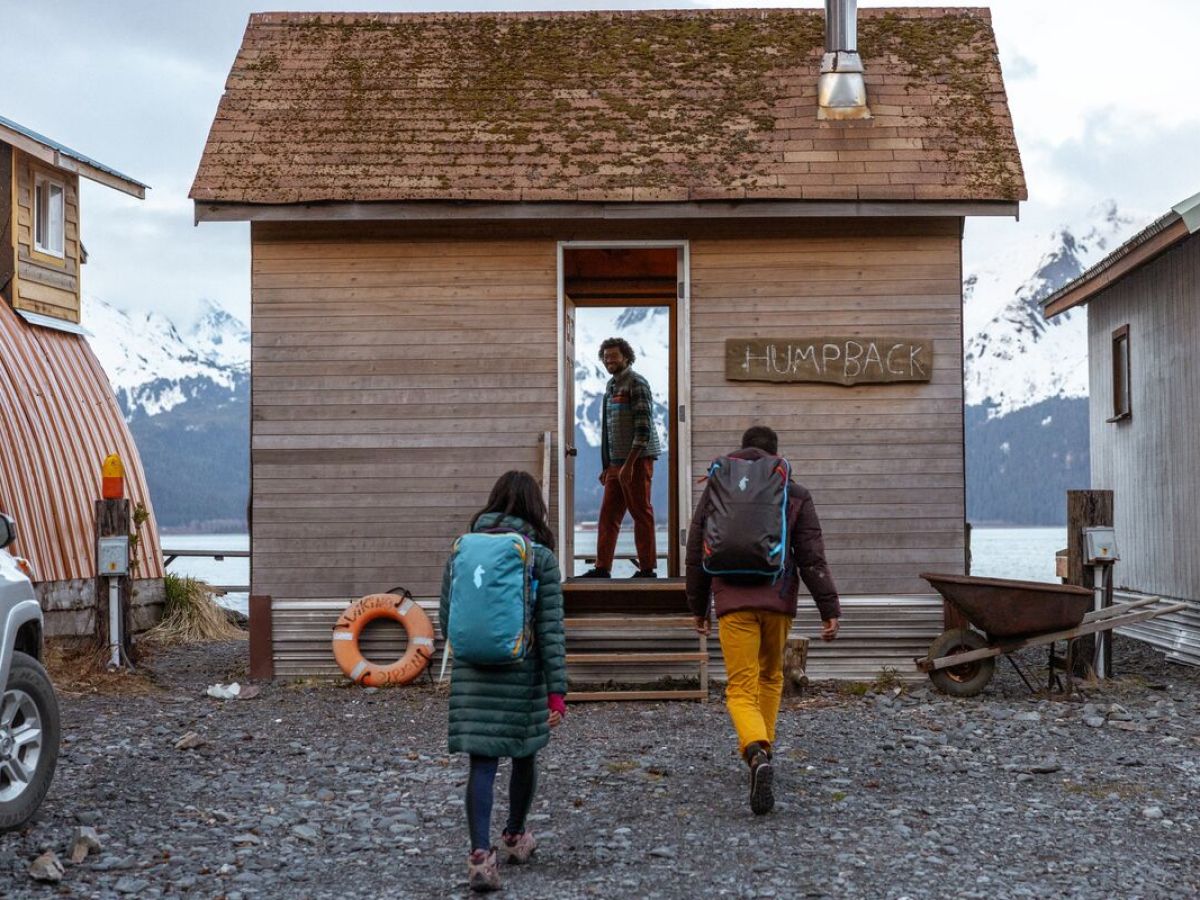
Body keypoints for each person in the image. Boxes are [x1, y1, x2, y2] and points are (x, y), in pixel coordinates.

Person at [685, 425, 841, 815]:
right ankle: (764, 749)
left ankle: (755, 752)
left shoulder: (718, 488)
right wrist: (829, 608)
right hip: (778, 600)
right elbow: (812, 558)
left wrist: (697, 606)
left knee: (739, 686)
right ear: (775, 455)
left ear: (742, 451)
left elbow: (694, 549)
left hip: (732, 601)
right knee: (771, 676)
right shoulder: (795, 493)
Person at [439, 471, 568, 892]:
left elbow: (447, 619)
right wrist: (557, 694)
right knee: (524, 753)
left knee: (482, 762)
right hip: (521, 673)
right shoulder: (540, 557)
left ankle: (480, 855)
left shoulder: (462, 550)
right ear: (535, 507)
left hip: (472, 673)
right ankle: (514, 836)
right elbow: (550, 631)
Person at [582, 337, 661, 579]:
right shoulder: (610, 386)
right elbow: (608, 430)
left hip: (637, 461)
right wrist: (607, 466)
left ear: (626, 357)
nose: (609, 361)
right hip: (616, 464)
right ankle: (602, 568)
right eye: (605, 358)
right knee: (608, 517)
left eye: (614, 356)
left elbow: (644, 429)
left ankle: (648, 570)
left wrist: (629, 465)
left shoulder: (637, 383)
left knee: (641, 513)